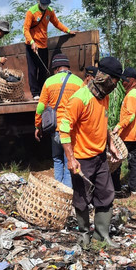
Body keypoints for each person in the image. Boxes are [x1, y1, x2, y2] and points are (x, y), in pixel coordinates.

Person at [59, 56, 123, 246]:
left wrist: (110, 142)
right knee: (81, 198)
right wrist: (70, 159)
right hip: (82, 159)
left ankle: (102, 235)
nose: (115, 85)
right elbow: (64, 128)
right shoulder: (79, 99)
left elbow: (103, 122)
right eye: (114, 80)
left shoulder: (104, 97)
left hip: (100, 157)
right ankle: (84, 235)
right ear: (103, 77)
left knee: (105, 194)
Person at [35, 53, 83, 188]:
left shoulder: (49, 82)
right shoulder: (79, 82)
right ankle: (67, 191)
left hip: (55, 129)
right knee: (69, 158)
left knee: (57, 159)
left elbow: (40, 107)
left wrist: (38, 126)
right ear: (67, 67)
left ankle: (57, 187)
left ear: (55, 69)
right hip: (71, 130)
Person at [23, 0, 75, 100]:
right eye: (43, 3)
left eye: (46, 3)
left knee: (43, 69)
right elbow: (26, 29)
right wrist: (32, 42)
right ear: (38, 1)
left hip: (43, 45)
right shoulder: (31, 12)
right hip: (31, 45)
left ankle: (42, 91)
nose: (44, 5)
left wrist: (68, 31)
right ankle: (35, 93)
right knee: (33, 70)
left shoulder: (50, 11)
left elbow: (56, 23)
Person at [112, 67, 136, 195]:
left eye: (125, 80)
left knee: (117, 162)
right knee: (134, 162)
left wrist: (118, 126)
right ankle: (134, 188)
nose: (123, 83)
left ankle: (116, 187)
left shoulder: (131, 95)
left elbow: (131, 115)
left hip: (128, 135)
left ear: (132, 81)